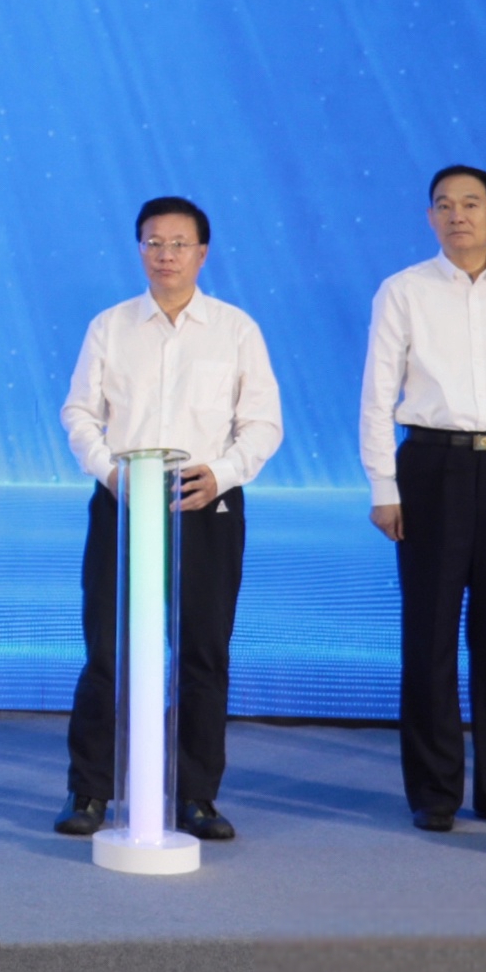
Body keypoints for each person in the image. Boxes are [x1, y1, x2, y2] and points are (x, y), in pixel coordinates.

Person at [53, 195, 282, 843]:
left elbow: (263, 423)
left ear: (202, 252)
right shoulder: (111, 325)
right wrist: (111, 472)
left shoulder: (236, 329)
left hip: (205, 502)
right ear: (140, 250)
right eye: (153, 243)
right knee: (108, 650)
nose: (165, 255)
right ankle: (91, 789)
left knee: (203, 652)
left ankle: (196, 795)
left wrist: (224, 473)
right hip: (124, 499)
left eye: (179, 243)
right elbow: (79, 412)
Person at [360, 163, 486, 833]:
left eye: (471, 204)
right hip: (431, 466)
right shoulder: (403, 290)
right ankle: (435, 791)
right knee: (430, 635)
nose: (458, 215)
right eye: (444, 205)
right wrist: (383, 486)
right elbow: (376, 396)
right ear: (430, 217)